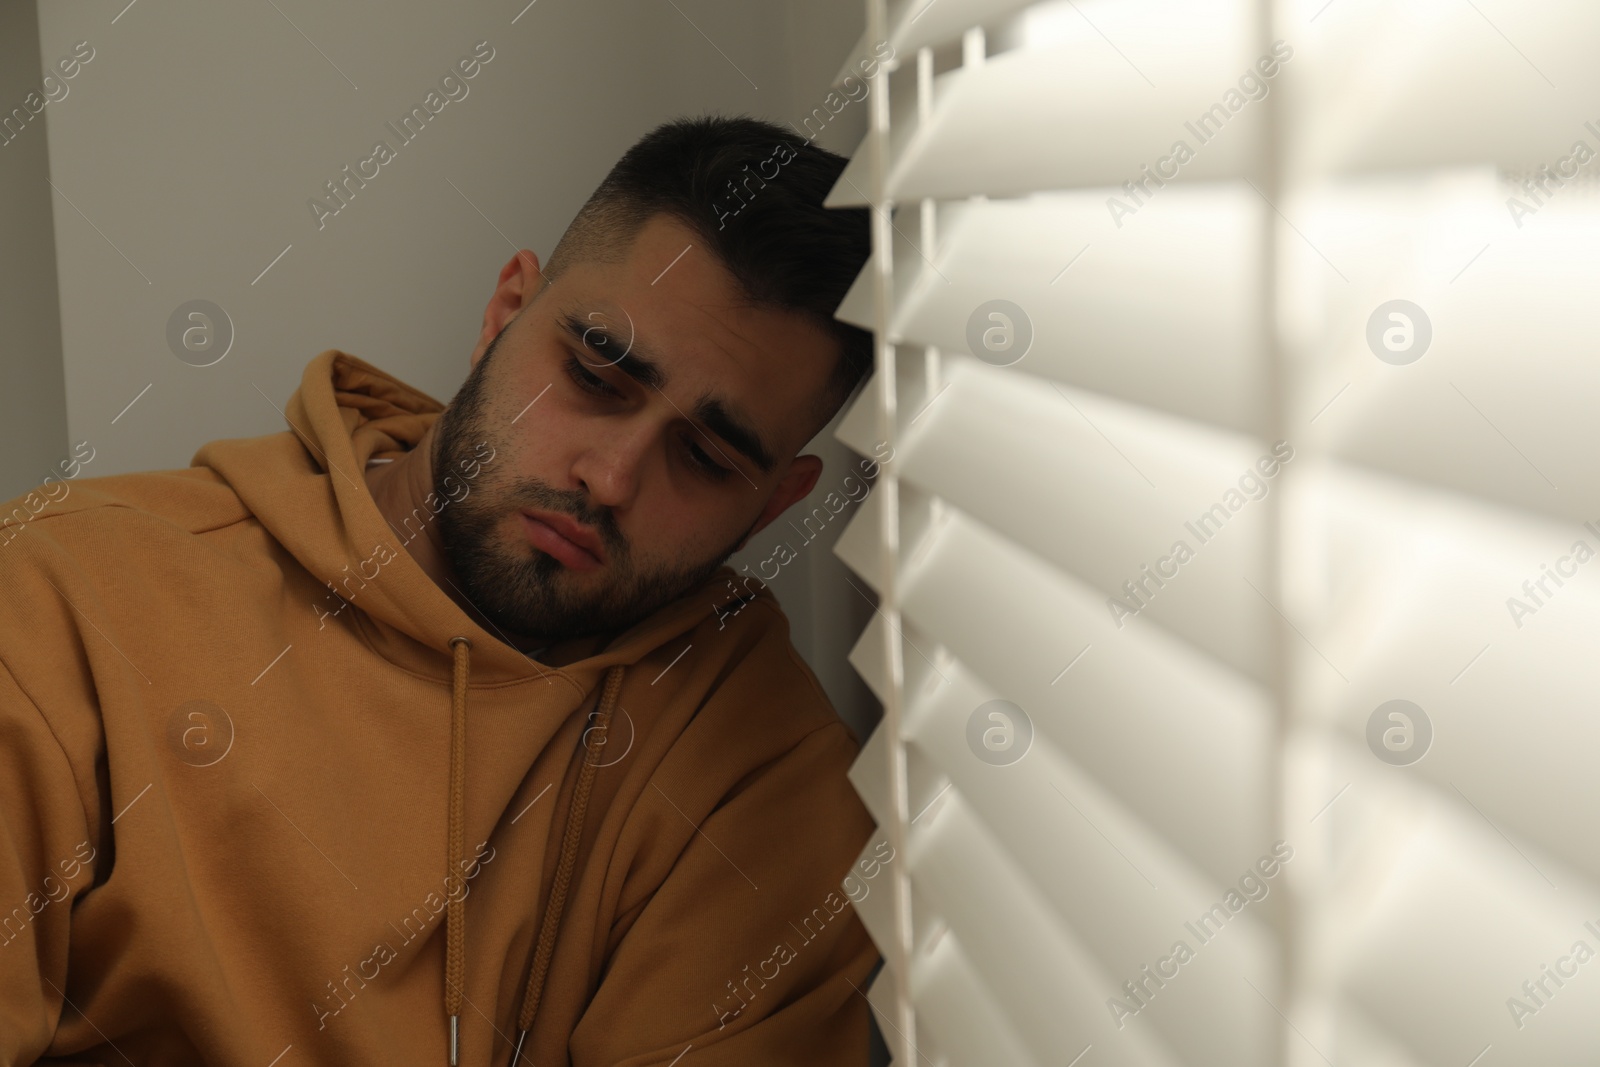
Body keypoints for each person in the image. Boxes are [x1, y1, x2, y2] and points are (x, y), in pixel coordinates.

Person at [0, 115, 888, 1066]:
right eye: (596, 375)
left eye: (706, 458)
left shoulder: (764, 769)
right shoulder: (68, 595)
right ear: (505, 314)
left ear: (774, 504)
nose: (612, 477)